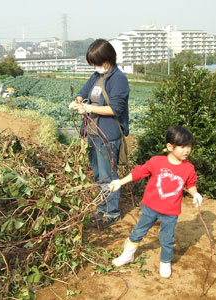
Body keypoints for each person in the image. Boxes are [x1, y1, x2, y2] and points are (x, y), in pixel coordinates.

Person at [108, 126, 203, 278]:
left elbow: (190, 184)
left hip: (170, 212)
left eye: (189, 146)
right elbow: (138, 172)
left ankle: (165, 262)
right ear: (170, 146)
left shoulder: (188, 168)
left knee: (167, 238)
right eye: (182, 146)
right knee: (138, 231)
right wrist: (120, 182)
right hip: (150, 207)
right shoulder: (156, 162)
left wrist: (196, 194)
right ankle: (128, 255)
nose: (187, 150)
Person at [68, 39, 130, 228]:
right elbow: (84, 91)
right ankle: (101, 209)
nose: (95, 66)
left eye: (96, 62)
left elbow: (115, 109)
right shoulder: (96, 76)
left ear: (107, 59)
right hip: (93, 133)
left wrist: (88, 108)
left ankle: (112, 213)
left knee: (107, 175)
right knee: (97, 174)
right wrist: (78, 100)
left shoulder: (118, 79)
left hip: (107, 134)